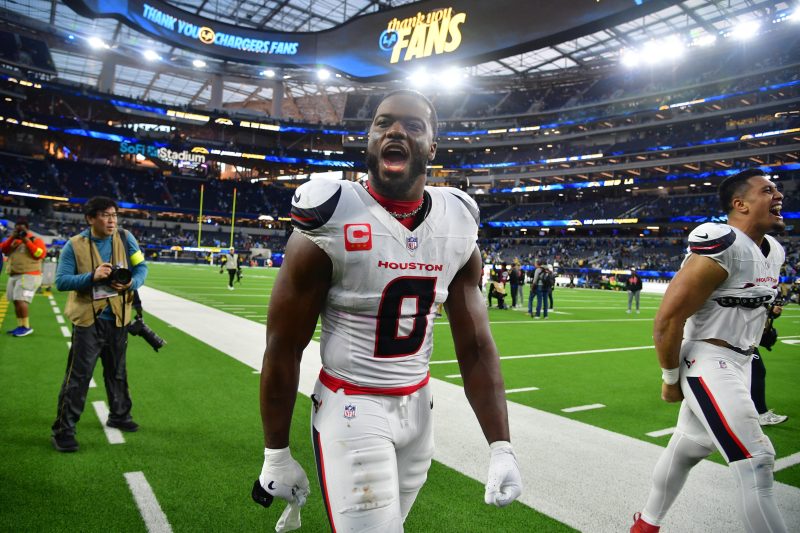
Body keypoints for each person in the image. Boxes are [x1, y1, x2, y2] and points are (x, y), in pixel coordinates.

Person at [253, 90, 522, 532]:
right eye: (383, 123)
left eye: (412, 125)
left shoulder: (457, 222)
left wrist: (501, 445)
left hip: (419, 411)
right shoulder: (331, 217)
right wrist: (275, 452)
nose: (395, 130)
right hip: (352, 407)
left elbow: (475, 345)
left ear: (432, 147)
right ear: (370, 138)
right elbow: (282, 347)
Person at [632, 169, 787, 533]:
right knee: (757, 461)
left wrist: (763, 327)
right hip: (706, 359)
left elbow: (749, 303)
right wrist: (671, 379)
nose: (779, 195)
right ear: (740, 204)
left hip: (742, 360)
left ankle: (644, 527)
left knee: (690, 446)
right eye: (768, 190)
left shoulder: (774, 250)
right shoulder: (721, 241)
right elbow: (668, 320)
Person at [50, 197, 148, 453]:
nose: (112, 220)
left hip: (119, 318)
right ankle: (63, 430)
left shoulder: (127, 239)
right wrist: (91, 277)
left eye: (114, 214)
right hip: (87, 321)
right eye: (105, 215)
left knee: (117, 372)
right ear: (90, 218)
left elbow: (142, 268)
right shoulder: (74, 245)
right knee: (78, 377)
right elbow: (61, 282)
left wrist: (131, 284)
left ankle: (120, 415)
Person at [1, 217, 47, 337]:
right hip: (14, 274)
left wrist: (27, 241)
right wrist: (12, 237)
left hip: (29, 274)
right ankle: (20, 325)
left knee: (21, 300)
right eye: (17, 230)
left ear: (27, 229)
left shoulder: (35, 239)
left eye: (22, 230)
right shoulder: (14, 240)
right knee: (15, 301)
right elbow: (4, 249)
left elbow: (40, 254)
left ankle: (26, 327)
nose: (20, 232)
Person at [751, 302, 787, 425]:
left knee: (754, 372)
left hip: (744, 337)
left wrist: (772, 311)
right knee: (757, 371)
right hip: (736, 338)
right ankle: (761, 413)